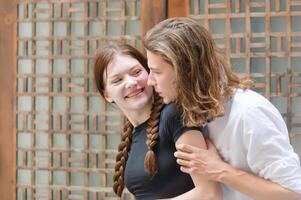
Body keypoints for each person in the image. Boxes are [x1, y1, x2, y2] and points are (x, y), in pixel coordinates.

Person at [143, 17, 301, 200]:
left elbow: (294, 193)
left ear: (185, 70)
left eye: (157, 72)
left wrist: (220, 170)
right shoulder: (190, 114)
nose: (149, 81)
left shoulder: (249, 113)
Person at [93, 43, 221, 200]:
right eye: (118, 80)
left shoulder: (174, 115)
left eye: (136, 72)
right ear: (107, 94)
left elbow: (209, 194)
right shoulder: (132, 134)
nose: (131, 83)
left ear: (149, 73)